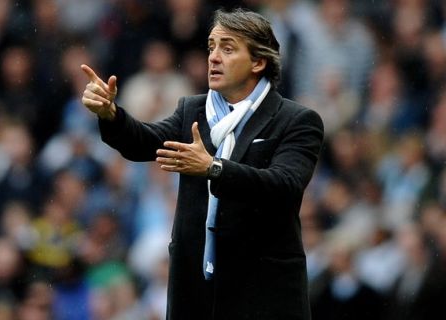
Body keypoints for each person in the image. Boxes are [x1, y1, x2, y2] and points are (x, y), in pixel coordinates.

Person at [81, 7, 324, 320]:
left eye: (227, 48)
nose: (213, 57)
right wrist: (110, 114)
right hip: (194, 292)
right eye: (211, 47)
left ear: (258, 61)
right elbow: (143, 142)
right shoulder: (193, 110)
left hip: (262, 292)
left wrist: (215, 168)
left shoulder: (297, 121)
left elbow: (285, 186)